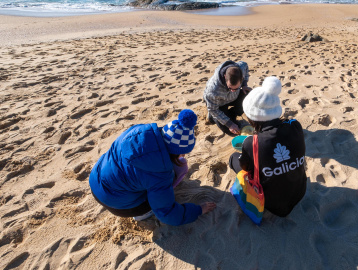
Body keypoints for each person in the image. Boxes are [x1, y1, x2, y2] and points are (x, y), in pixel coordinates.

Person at [89, 109, 216, 225]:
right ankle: (141, 214)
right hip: (117, 204)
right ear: (176, 152)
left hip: (96, 179)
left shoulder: (139, 131)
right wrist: (198, 210)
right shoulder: (160, 174)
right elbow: (168, 214)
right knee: (156, 198)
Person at [228, 76, 307, 217]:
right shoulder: (295, 126)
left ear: (253, 117)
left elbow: (246, 168)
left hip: (270, 203)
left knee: (234, 159)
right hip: (300, 192)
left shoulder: (251, 143)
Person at [203, 60, 252, 137]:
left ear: (241, 78)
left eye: (236, 88)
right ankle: (212, 117)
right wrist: (229, 124)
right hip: (218, 104)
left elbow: (245, 65)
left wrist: (244, 84)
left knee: (248, 94)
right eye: (230, 88)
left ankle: (232, 115)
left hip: (233, 98)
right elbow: (213, 109)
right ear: (225, 76)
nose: (232, 91)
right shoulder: (212, 90)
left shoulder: (241, 68)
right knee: (232, 131)